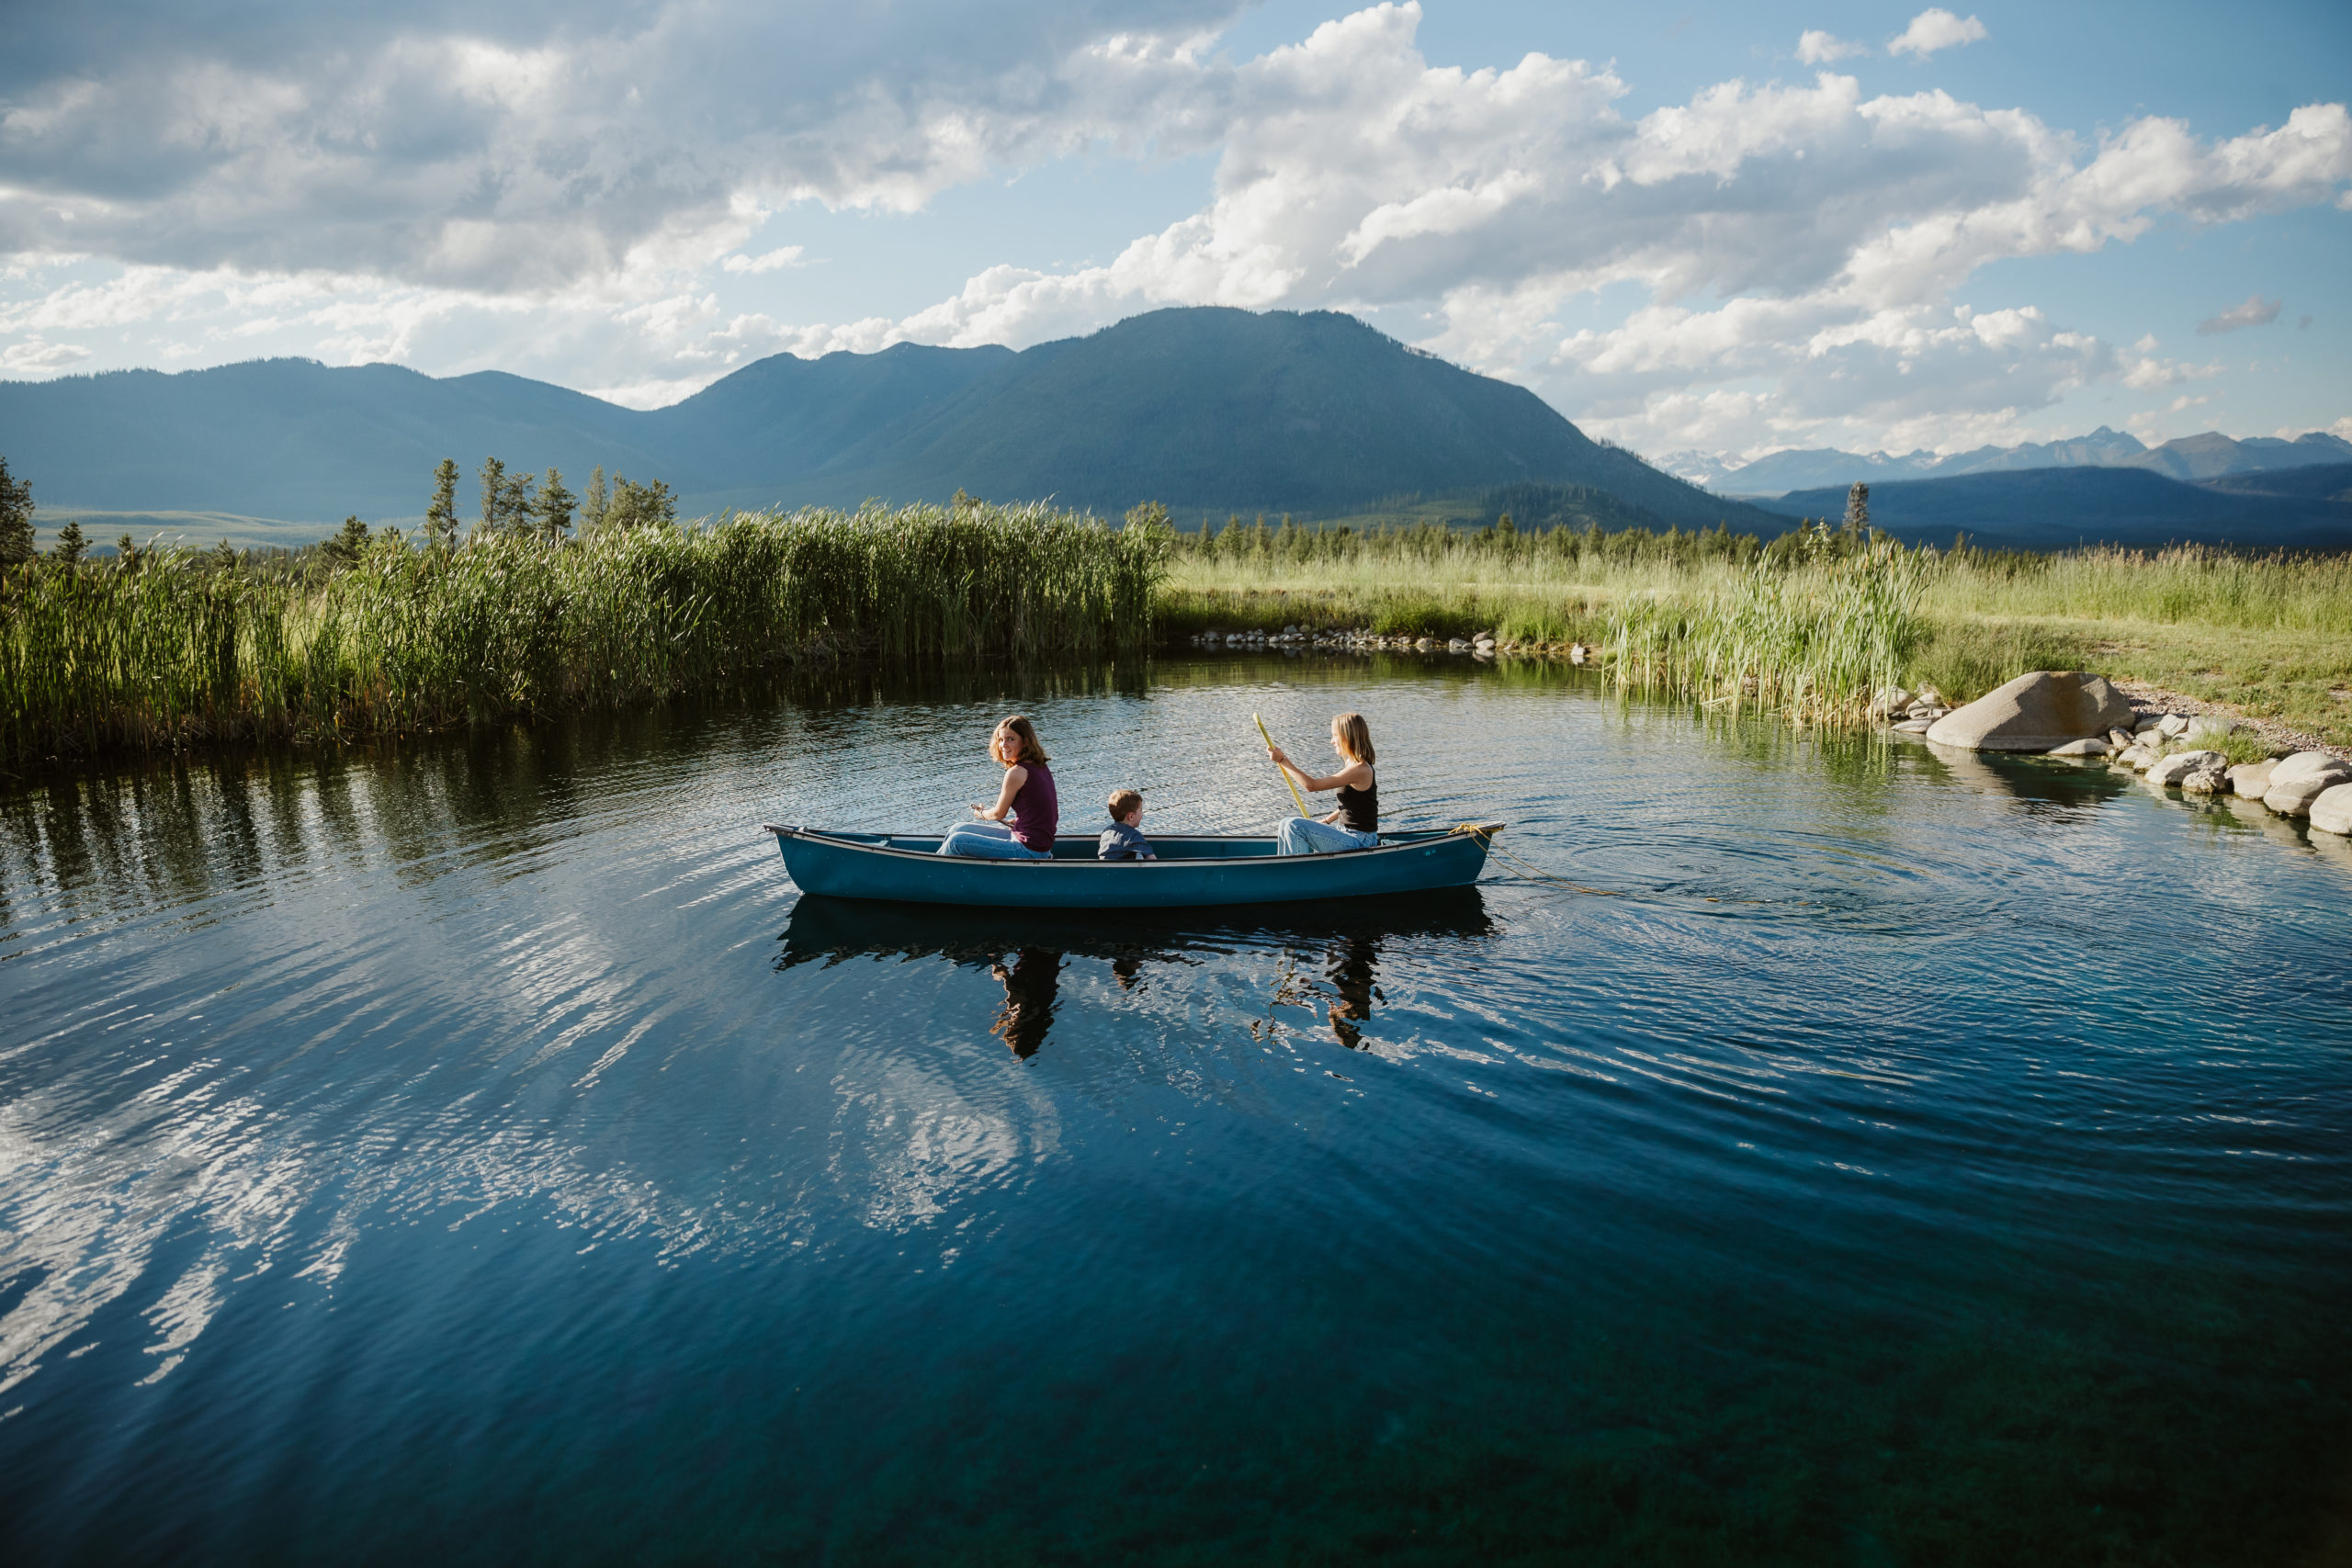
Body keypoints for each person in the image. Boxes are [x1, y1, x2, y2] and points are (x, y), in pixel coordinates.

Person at [938, 714, 1058, 859]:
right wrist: (1022, 820)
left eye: (1010, 739)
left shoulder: (1016, 773)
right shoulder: (1040, 766)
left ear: (1025, 742)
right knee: (957, 828)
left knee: (956, 842)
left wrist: (981, 814)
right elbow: (1040, 808)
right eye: (1001, 739)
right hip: (1030, 839)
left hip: (1029, 850)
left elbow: (998, 814)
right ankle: (953, 868)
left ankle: (932, 872)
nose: (1003, 745)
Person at [1265, 711, 1380, 854]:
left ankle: (1294, 872)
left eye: (1334, 735)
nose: (1332, 741)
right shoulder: (1352, 765)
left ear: (1347, 736)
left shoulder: (1360, 769)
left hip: (1361, 841)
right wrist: (1326, 821)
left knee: (1295, 825)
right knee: (1285, 823)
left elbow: (1312, 786)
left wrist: (1283, 761)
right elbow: (1354, 804)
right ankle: (1290, 867)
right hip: (1346, 833)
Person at [1098, 789, 1156, 861]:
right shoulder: (1133, 836)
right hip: (1122, 871)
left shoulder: (1106, 831)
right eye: (1141, 810)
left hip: (1105, 869)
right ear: (1131, 816)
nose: (1142, 814)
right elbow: (1152, 860)